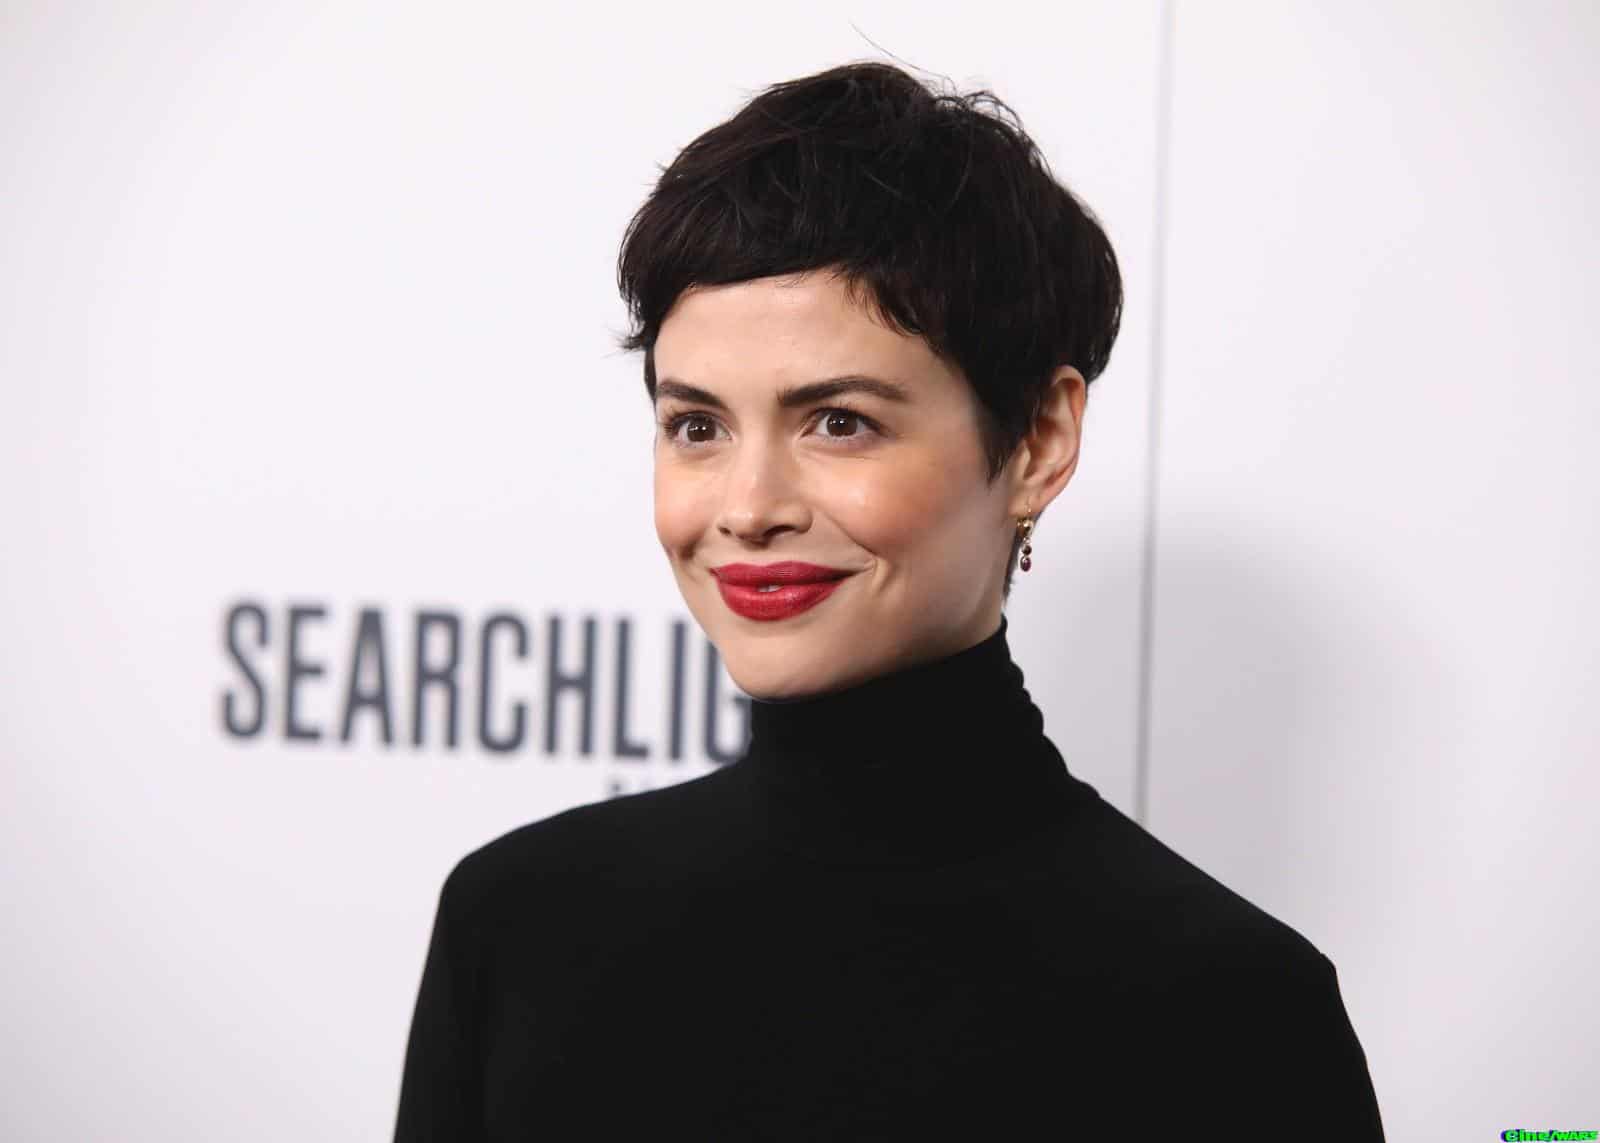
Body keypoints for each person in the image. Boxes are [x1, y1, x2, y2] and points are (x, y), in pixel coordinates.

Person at [393, 60, 1386, 1139]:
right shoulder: (518, 922)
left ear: (1039, 442)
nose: (748, 508)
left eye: (840, 422)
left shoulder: (1230, 1009)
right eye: (697, 426)